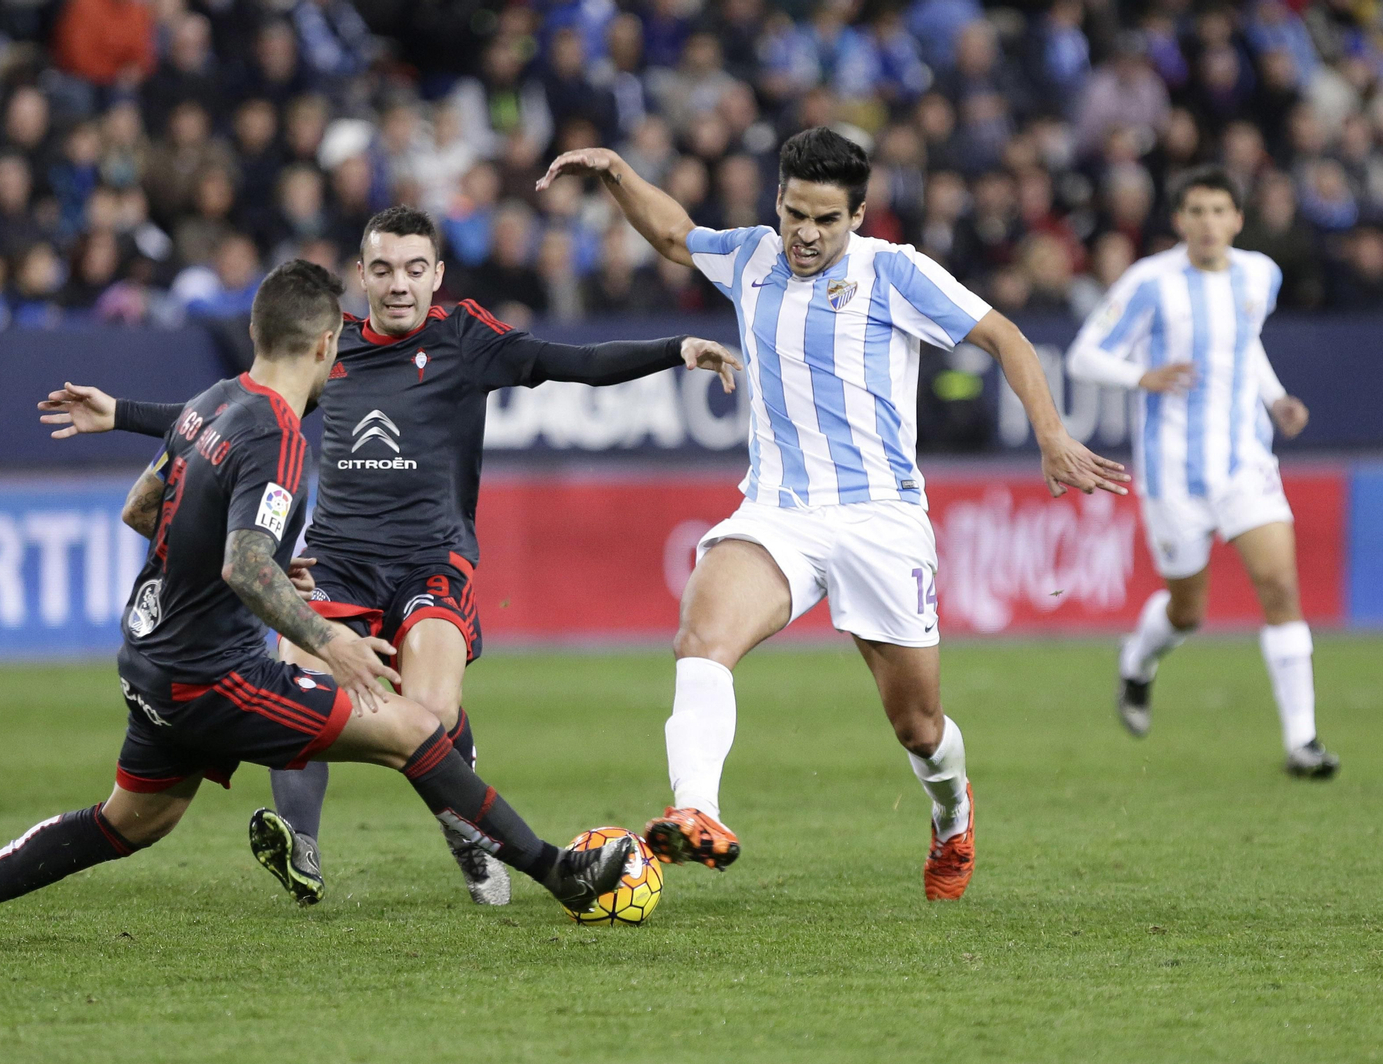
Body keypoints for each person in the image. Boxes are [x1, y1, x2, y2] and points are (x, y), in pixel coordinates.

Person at [0, 260, 635, 949]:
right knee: (414, 729)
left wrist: (274, 563)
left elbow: (142, 506)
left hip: (150, 662)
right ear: (326, 343)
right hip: (215, 678)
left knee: (129, 821)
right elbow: (245, 566)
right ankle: (559, 874)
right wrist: (328, 637)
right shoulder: (281, 438)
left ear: (257, 332)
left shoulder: (211, 403)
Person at [37, 206, 740, 909]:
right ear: (360, 276)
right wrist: (122, 412)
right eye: (382, 269)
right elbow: (228, 414)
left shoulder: (467, 337)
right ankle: (302, 849)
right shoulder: (330, 349)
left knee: (426, 713)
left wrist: (675, 348)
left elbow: (570, 362)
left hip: (433, 561)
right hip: (336, 561)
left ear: (436, 274)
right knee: (303, 686)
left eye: (412, 269)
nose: (398, 284)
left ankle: (466, 825)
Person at [536, 127, 1128, 900]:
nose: (805, 235)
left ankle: (952, 818)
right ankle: (696, 810)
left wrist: (1051, 435)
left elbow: (1004, 336)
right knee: (701, 636)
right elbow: (676, 235)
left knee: (918, 726)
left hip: (880, 519)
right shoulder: (750, 255)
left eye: (825, 220)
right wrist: (616, 171)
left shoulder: (896, 272)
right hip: (778, 512)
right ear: (777, 201)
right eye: (794, 214)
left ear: (857, 217)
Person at [1066, 166, 1338, 779]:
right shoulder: (1150, 282)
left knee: (1280, 589)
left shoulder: (1260, 274)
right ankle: (1138, 662)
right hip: (1173, 476)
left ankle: (1304, 741)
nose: (1208, 222)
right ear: (1179, 220)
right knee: (1188, 610)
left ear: (1237, 220)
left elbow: (1246, 342)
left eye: (1220, 210)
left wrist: (1275, 398)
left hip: (1246, 462)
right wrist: (1143, 376)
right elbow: (1086, 354)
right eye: (1196, 211)